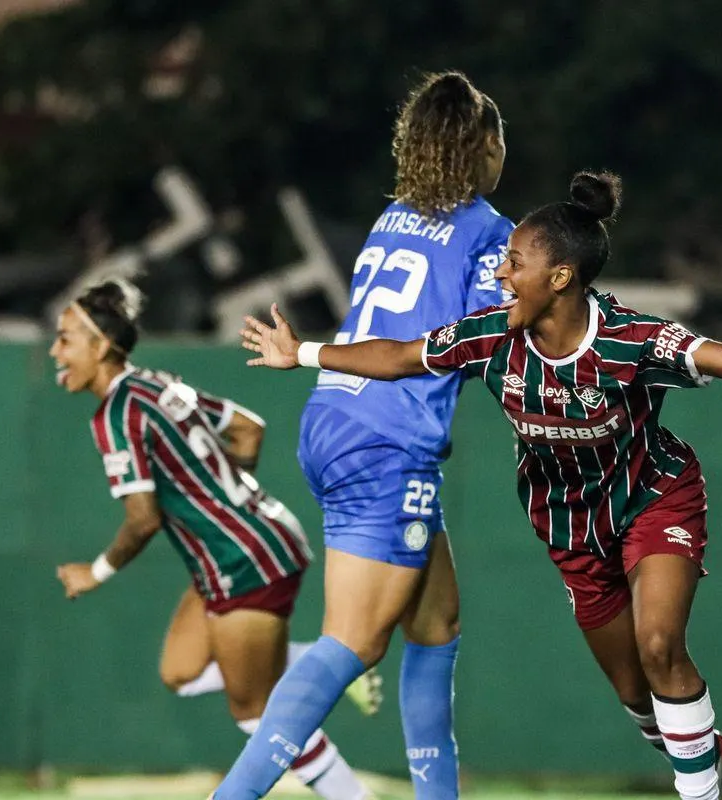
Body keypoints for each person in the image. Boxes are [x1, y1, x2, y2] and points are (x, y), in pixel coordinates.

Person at [236, 172, 722, 800]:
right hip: (569, 527)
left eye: (514, 262)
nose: (500, 273)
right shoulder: (491, 335)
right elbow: (396, 356)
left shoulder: (632, 342)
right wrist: (298, 352)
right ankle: (699, 751)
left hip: (654, 500)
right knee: (637, 696)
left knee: (659, 643)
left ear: (560, 278)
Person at [211, 71, 513, 800]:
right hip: (387, 439)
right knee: (355, 640)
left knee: (436, 624)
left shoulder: (394, 218)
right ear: (483, 149)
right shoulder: (489, 233)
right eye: (499, 139)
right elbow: (477, 341)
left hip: (336, 418)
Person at [49, 278, 375, 800]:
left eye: (65, 339)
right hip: (249, 544)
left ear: (101, 346)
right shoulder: (157, 384)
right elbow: (249, 428)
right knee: (180, 671)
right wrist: (225, 503)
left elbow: (142, 520)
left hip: (245, 561)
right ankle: (314, 659)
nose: (54, 350)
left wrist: (96, 572)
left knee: (256, 715)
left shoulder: (116, 414)